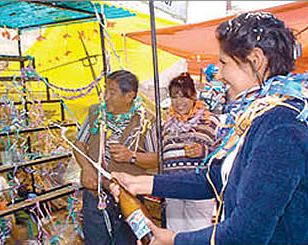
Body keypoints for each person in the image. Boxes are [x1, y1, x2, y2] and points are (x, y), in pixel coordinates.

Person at [110, 12, 308, 245]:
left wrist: (173, 240)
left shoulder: (281, 125)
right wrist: (143, 183)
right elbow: (215, 178)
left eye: (224, 63)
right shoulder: (256, 115)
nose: (220, 74)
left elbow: (246, 235)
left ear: (256, 60)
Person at [74, 70, 158, 245]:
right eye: (106, 90)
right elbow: (79, 144)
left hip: (128, 198)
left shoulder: (146, 121)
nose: (106, 96)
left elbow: (156, 158)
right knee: (96, 240)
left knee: (127, 241)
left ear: (129, 96)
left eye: (112, 92)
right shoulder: (95, 114)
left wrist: (131, 157)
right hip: (95, 194)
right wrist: (87, 168)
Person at [162, 72, 220, 232]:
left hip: (198, 186)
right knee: (174, 234)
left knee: (197, 233)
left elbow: (224, 153)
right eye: (174, 97)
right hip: (172, 187)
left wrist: (204, 151)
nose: (179, 102)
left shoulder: (211, 121)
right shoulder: (166, 125)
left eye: (184, 97)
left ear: (194, 96)